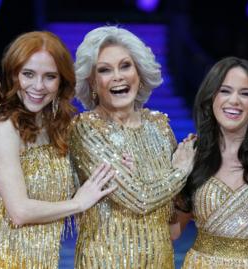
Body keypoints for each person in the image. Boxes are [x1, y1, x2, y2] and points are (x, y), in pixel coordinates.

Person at [0, 31, 115, 269]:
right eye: (28, 74)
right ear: (13, 75)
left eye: (49, 77)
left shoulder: (58, 128)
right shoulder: (3, 127)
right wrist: (78, 203)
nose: (38, 86)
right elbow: (19, 211)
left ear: (61, 81)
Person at [70, 25, 195, 268]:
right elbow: (140, 199)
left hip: (160, 259)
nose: (118, 76)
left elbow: (173, 210)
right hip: (104, 261)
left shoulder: (159, 125)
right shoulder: (86, 128)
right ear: (93, 83)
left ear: (139, 72)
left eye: (125, 66)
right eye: (105, 70)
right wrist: (181, 171)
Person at [170, 56, 248, 268]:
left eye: (245, 94)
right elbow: (173, 232)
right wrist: (174, 178)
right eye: (225, 91)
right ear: (211, 98)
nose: (234, 100)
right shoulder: (193, 155)